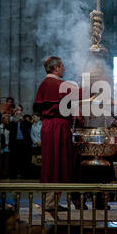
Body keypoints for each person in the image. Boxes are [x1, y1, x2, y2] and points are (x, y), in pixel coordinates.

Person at [33, 56, 81, 211]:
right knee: (60, 162)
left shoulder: (42, 84)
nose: (64, 69)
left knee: (49, 163)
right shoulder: (62, 85)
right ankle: (51, 203)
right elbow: (79, 104)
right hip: (59, 127)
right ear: (56, 68)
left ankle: (50, 202)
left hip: (47, 126)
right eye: (62, 66)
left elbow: (38, 108)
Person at [8, 105, 32, 179]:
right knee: (14, 160)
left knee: (24, 159)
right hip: (15, 143)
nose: (18, 112)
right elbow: (8, 127)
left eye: (19, 110)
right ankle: (13, 175)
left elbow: (30, 126)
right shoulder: (12, 121)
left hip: (24, 143)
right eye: (17, 110)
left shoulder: (25, 121)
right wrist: (14, 120)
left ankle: (24, 175)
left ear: (21, 111)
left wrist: (23, 120)